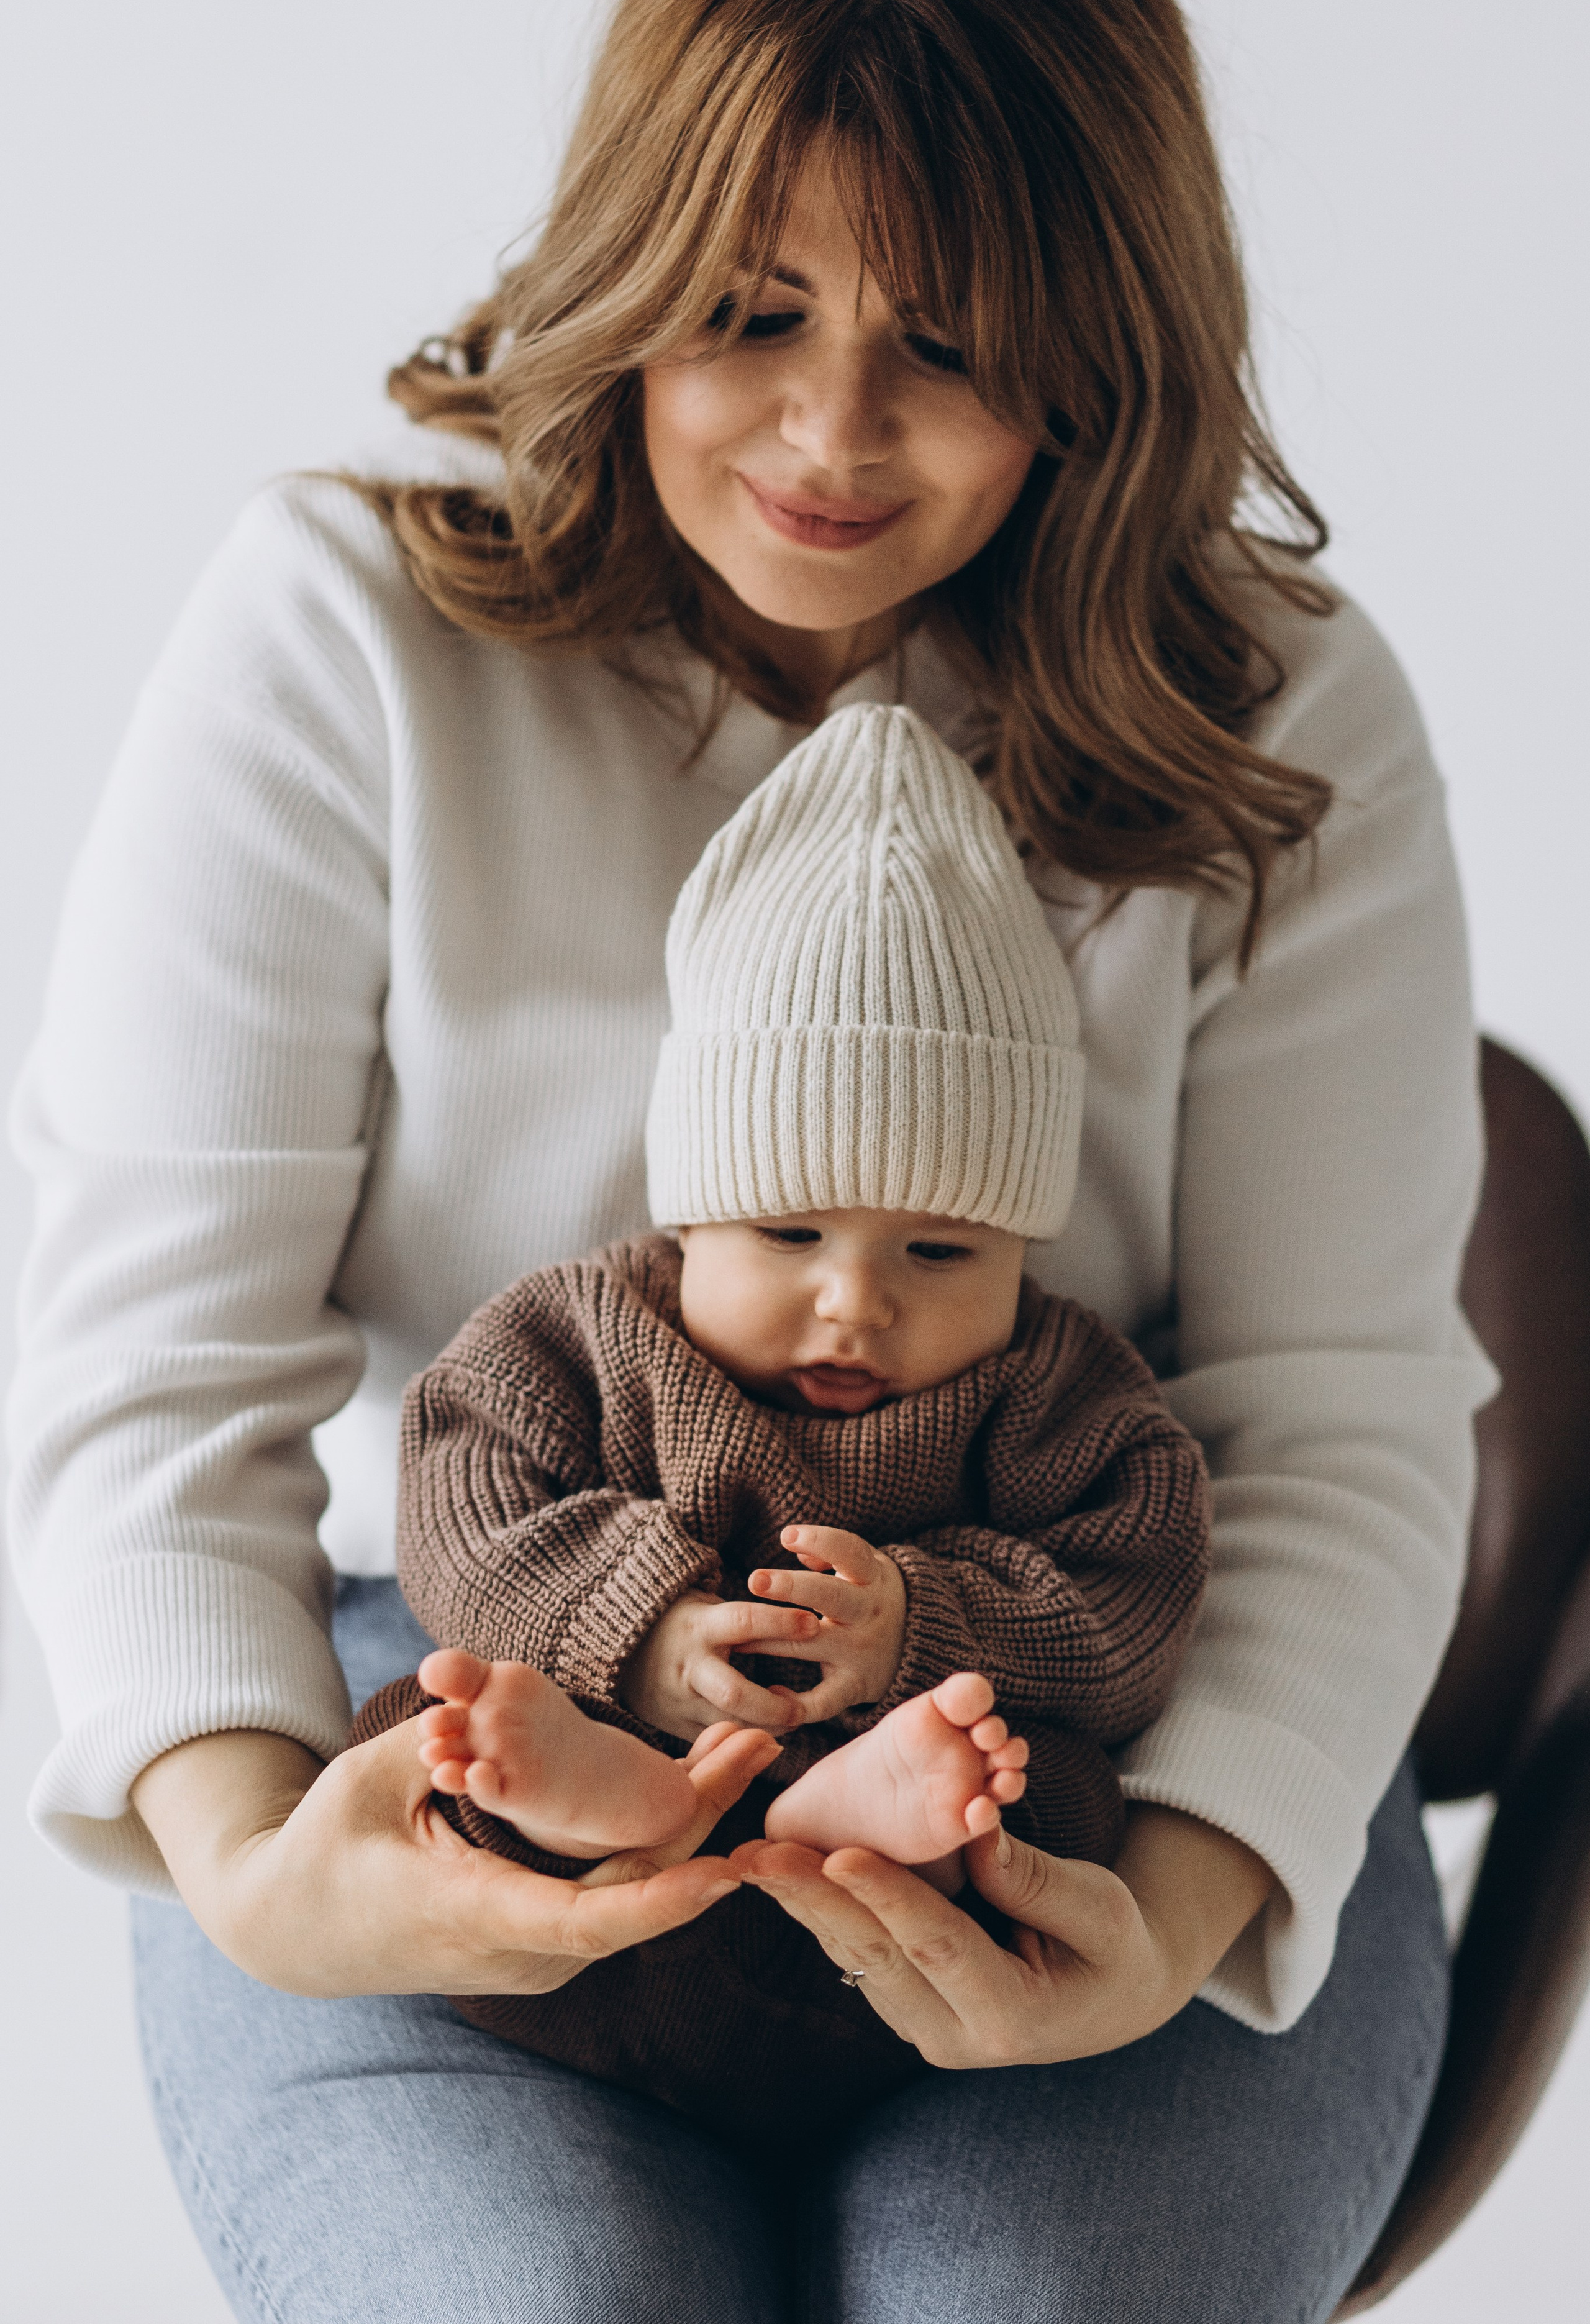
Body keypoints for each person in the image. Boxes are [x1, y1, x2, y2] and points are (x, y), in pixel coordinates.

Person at [5, 0, 1492, 2318]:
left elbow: (1335, 1423)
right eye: (749, 310)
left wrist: (1162, 1922)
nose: (828, 434)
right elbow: (148, 1362)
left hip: (1111, 1727)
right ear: (620, 270)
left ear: (1098, 353)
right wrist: (268, 1867)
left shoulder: (1281, 729)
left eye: (951, 341)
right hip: (473, 1682)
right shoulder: (338, 640)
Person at [351, 701, 1209, 2141]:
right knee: (415, 1728)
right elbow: (465, 1496)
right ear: (687, 1213)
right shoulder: (581, 1335)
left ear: (1021, 1251)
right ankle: (597, 1795)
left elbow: (1130, 1596)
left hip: (885, 1956)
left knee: (1054, 1790)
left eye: (939, 1254)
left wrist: (922, 1638)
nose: (854, 1307)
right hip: (584, 1917)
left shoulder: (1058, 1393)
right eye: (789, 1231)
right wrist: (648, 1631)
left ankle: (875, 1815)